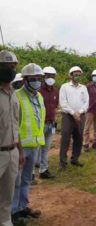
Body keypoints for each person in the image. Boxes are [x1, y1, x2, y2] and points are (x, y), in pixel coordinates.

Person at [12, 63, 46, 225]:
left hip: (35, 145)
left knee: (26, 178)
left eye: (39, 78)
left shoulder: (39, 96)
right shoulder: (16, 96)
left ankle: (22, 206)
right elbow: (13, 125)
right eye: (33, 79)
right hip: (20, 147)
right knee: (16, 180)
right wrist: (17, 150)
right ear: (25, 80)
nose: (37, 81)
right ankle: (13, 211)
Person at [0, 51, 24, 226]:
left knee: (8, 193)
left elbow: (16, 125)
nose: (11, 69)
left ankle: (6, 221)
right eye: (7, 66)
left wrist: (20, 151)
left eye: (13, 66)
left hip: (13, 151)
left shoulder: (14, 94)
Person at [59, 66, 89, 170]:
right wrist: (72, 112)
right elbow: (63, 103)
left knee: (79, 138)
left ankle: (75, 159)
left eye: (79, 75)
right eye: (75, 75)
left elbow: (86, 102)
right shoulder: (64, 87)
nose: (77, 77)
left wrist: (79, 112)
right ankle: (62, 162)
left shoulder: (83, 88)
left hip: (80, 116)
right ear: (71, 75)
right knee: (65, 138)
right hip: (68, 116)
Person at [36, 66, 59, 179]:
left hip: (51, 124)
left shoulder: (56, 91)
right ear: (43, 77)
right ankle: (31, 173)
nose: (50, 78)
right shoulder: (38, 90)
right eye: (48, 76)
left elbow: (55, 106)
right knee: (36, 148)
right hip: (40, 124)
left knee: (45, 148)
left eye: (52, 76)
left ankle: (43, 170)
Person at [83, 69, 96, 152]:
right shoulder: (87, 87)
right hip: (89, 110)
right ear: (92, 77)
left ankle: (95, 142)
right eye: (95, 76)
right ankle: (86, 143)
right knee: (87, 127)